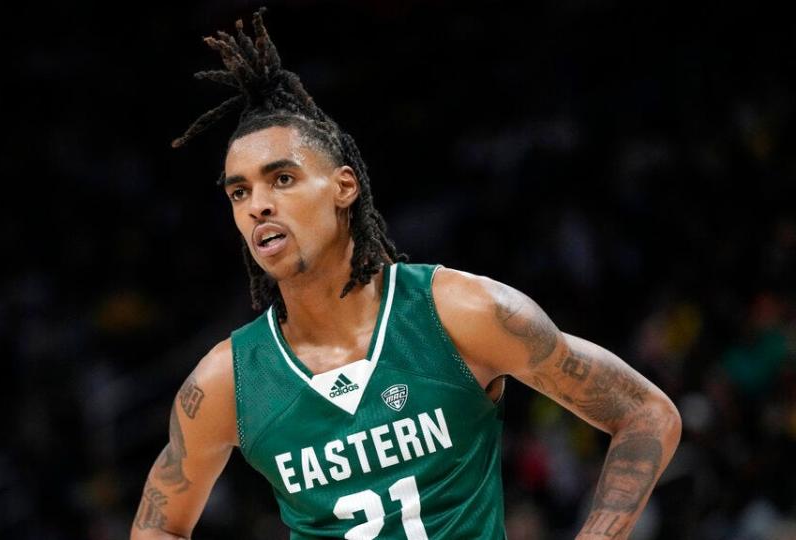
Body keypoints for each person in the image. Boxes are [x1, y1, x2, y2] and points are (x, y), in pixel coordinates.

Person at [131, 9, 681, 540]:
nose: (258, 206)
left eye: (282, 179)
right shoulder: (228, 380)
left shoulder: (461, 313)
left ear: (345, 187)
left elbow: (646, 414)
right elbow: (158, 522)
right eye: (239, 191)